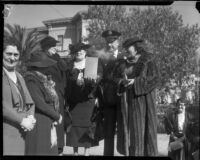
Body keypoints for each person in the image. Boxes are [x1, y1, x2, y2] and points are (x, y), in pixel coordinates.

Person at [114, 37, 159, 156]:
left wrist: (136, 82)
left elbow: (155, 78)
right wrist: (121, 82)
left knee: (144, 134)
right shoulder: (123, 63)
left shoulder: (149, 59)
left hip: (144, 103)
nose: (125, 51)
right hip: (127, 102)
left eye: (128, 48)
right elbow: (115, 78)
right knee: (130, 133)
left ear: (136, 48)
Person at [24, 52, 62, 155]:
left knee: (48, 150)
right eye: (46, 65)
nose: (48, 68)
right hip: (39, 121)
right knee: (40, 150)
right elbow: (39, 102)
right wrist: (56, 116)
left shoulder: (42, 79)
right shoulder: (31, 79)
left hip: (46, 120)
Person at [3, 43, 36, 155]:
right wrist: (21, 120)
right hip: (6, 131)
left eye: (16, 55)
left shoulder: (20, 76)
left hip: (22, 131)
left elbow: (30, 102)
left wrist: (31, 117)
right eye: (8, 54)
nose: (12, 58)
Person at [65, 42, 97, 156]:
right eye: (77, 51)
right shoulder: (69, 65)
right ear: (74, 53)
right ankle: (75, 153)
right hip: (73, 101)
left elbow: (96, 82)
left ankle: (86, 152)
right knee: (74, 127)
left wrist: (89, 82)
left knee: (87, 127)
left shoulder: (92, 63)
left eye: (81, 50)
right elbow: (66, 83)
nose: (79, 52)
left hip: (87, 101)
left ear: (85, 52)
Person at [95, 30, 122, 156]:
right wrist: (95, 78)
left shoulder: (124, 56)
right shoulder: (102, 57)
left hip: (123, 101)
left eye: (112, 42)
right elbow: (99, 74)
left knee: (124, 132)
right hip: (108, 100)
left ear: (118, 42)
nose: (109, 45)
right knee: (108, 133)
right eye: (108, 42)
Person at [40, 36, 68, 155]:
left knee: (60, 123)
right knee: (49, 122)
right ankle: (48, 148)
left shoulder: (57, 58)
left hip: (59, 96)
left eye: (55, 46)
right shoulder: (40, 59)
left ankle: (59, 149)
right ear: (46, 48)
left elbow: (65, 69)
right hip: (46, 97)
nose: (55, 48)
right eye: (52, 46)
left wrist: (57, 57)